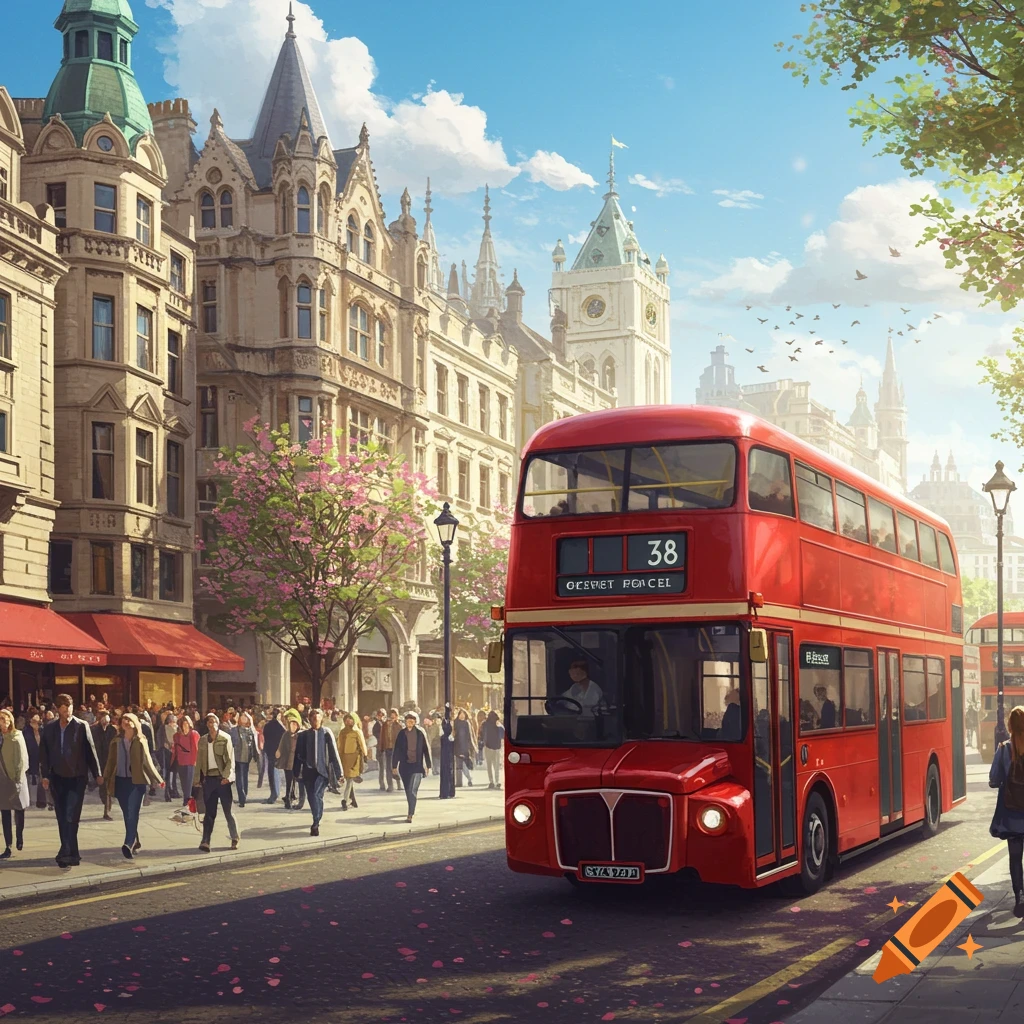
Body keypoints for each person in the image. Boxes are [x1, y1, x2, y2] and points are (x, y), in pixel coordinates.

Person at [39, 693, 102, 868]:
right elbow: (44, 754)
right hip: (57, 778)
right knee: (62, 816)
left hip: (77, 778)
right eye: (64, 708)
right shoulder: (49, 728)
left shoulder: (81, 726)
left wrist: (97, 773)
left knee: (70, 815)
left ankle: (65, 852)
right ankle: (72, 853)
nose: (68, 711)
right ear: (58, 709)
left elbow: (91, 750)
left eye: (70, 707)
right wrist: (45, 775)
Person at [103, 712, 163, 859]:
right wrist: (105, 777)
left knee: (132, 812)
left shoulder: (140, 741)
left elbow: (147, 761)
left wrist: (158, 779)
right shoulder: (116, 741)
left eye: (129, 719)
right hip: (120, 781)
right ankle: (135, 840)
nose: (126, 721)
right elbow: (111, 761)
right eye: (124, 719)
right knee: (127, 814)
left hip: (137, 782)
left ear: (135, 723)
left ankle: (128, 843)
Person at [989, 704, 1024, 917]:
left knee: (1015, 857)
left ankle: (1019, 898)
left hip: (1012, 815)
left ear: (1010, 725)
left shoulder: (1004, 749)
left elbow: (994, 780)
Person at [193, 712, 239, 853]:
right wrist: (197, 780)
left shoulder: (225, 738)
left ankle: (235, 837)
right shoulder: (202, 740)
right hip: (209, 780)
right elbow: (199, 761)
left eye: (213, 721)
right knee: (209, 813)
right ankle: (205, 841)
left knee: (228, 811)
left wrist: (226, 776)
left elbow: (230, 760)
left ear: (218, 723)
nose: (211, 724)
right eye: (209, 722)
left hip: (222, 780)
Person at [293, 708, 342, 837]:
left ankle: (315, 822)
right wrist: (296, 771)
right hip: (308, 771)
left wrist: (339, 773)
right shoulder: (303, 735)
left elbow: (333, 753)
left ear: (322, 719)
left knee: (316, 794)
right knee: (313, 797)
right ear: (309, 720)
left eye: (317, 717)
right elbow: (298, 755)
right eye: (313, 718)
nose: (315, 720)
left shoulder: (326, 733)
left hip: (322, 771)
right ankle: (318, 815)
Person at [0, 709, 29, 858]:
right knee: (4, 812)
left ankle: (19, 836)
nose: (2, 723)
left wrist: (18, 777)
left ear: (10, 721)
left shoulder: (16, 736)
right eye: (0, 720)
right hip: (2, 778)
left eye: (5, 720)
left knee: (19, 810)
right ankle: (8, 846)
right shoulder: (1, 738)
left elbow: (22, 758)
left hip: (16, 778)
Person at [392, 712, 432, 823]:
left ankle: (410, 813)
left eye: (412, 721)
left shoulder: (420, 734)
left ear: (415, 722)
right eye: (408, 721)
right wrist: (394, 766)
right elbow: (397, 750)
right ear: (405, 722)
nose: (410, 722)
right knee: (408, 790)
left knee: (413, 790)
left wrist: (428, 765)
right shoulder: (401, 734)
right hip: (405, 767)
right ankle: (411, 808)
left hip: (417, 766)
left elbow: (425, 750)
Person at [337, 713, 367, 811]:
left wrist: (365, 755)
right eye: (347, 719)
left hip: (354, 758)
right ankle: (353, 800)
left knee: (349, 779)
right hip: (344, 758)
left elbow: (362, 744)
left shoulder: (357, 732)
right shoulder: (342, 732)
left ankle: (344, 800)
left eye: (351, 719)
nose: (348, 721)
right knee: (348, 778)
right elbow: (339, 745)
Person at [276, 710, 305, 810]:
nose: (292, 726)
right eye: (291, 724)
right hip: (288, 761)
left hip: (297, 761)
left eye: (294, 724)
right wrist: (278, 751)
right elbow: (281, 745)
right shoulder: (286, 734)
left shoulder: (300, 735)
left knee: (296, 780)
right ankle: (288, 799)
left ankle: (293, 796)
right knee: (289, 780)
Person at [91, 712, 117, 820]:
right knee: (102, 787)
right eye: (103, 720)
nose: (105, 722)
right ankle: (104, 801)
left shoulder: (112, 730)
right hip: (98, 761)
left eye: (107, 720)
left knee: (107, 787)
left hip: (110, 761)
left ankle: (107, 810)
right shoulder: (95, 730)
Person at [22, 712, 49, 811]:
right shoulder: (26, 732)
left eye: (38, 722)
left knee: (43, 778)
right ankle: (32, 800)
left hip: (42, 757)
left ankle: (42, 801)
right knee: (33, 778)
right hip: (31, 758)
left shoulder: (43, 731)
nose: (37, 724)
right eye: (34, 721)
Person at [231, 711, 257, 808]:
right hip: (238, 757)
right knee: (239, 778)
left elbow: (254, 741)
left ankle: (244, 796)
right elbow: (231, 743)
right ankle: (242, 798)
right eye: (242, 716)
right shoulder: (234, 730)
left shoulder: (250, 730)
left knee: (244, 777)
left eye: (246, 717)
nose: (243, 718)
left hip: (247, 757)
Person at [172, 715, 199, 806]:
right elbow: (175, 748)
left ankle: (187, 799)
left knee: (189, 781)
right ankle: (186, 797)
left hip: (190, 760)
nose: (185, 725)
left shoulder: (194, 734)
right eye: (183, 723)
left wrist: (195, 760)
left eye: (187, 723)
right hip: (181, 760)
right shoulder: (176, 735)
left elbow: (195, 748)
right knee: (183, 781)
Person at [262, 708, 285, 804]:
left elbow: (265, 737)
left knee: (272, 772)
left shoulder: (267, 726)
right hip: (278, 750)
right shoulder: (281, 726)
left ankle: (274, 793)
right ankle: (276, 793)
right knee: (276, 772)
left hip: (270, 750)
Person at [479, 710, 504, 789]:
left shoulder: (484, 724)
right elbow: (503, 735)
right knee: (496, 766)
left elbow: (481, 734)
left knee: (489, 766)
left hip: (488, 746)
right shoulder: (498, 724)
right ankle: (497, 781)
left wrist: (482, 742)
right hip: (497, 747)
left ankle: (491, 782)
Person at [378, 709, 400, 792]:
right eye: (391, 715)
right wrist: (381, 748)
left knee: (397, 766)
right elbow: (382, 736)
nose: (393, 717)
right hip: (388, 748)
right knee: (388, 767)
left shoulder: (399, 724)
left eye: (394, 715)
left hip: (397, 748)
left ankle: (399, 783)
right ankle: (390, 785)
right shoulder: (385, 725)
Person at [453, 708, 477, 788]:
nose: (462, 716)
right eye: (461, 714)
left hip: (465, 747)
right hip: (456, 746)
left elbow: (470, 736)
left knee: (463, 765)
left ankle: (469, 779)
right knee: (458, 766)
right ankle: (459, 782)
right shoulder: (455, 723)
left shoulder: (467, 723)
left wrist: (470, 747)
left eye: (463, 714)